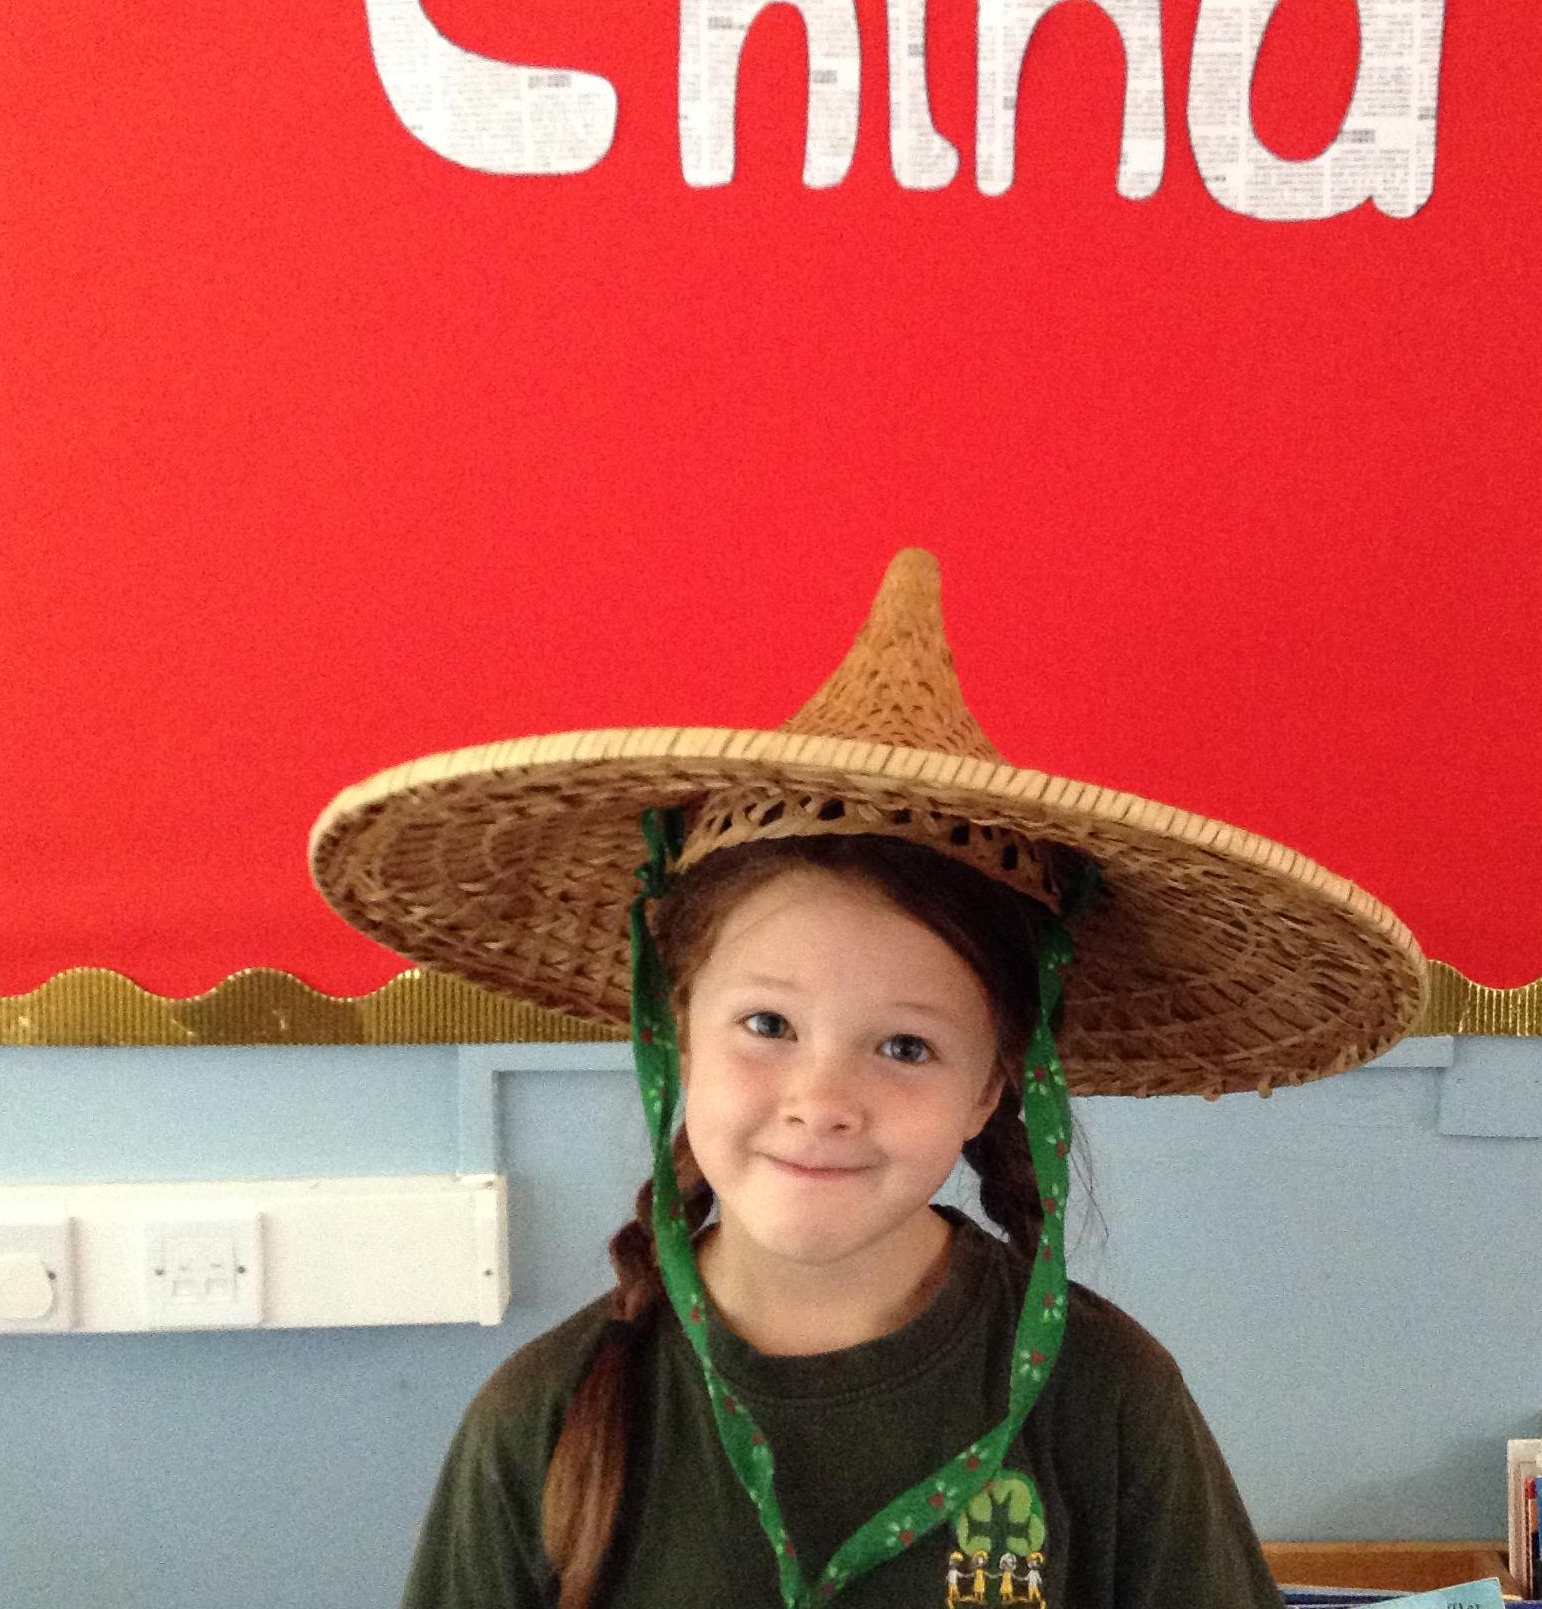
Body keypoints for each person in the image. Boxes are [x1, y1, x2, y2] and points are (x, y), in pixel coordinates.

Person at [310, 549, 1427, 1607]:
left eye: (905, 1046)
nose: (823, 1100)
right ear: (677, 1037)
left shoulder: (1105, 1398)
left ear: (993, 1086)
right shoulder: (542, 1421)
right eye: (767, 1024)